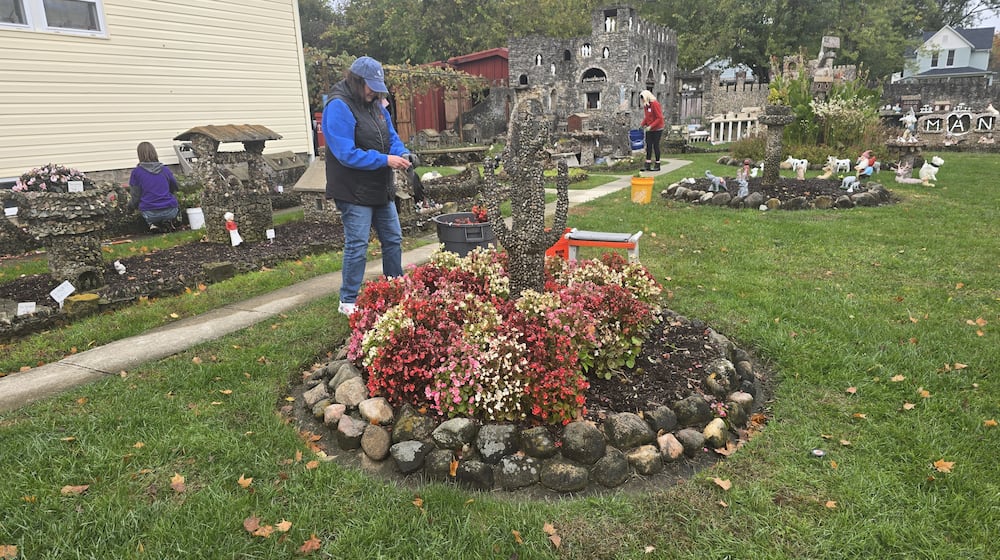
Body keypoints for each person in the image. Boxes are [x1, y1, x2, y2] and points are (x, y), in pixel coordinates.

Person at [322, 56, 414, 317]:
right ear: (356, 81)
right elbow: (345, 153)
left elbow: (391, 137)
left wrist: (403, 154)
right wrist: (385, 160)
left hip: (379, 187)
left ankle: (394, 286)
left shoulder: (376, 104)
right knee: (358, 245)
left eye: (377, 86)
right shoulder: (339, 106)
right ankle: (348, 300)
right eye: (370, 86)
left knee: (393, 238)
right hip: (352, 190)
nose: (374, 91)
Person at [128, 141, 180, 230]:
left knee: (144, 202)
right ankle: (168, 221)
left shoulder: (136, 173)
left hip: (149, 212)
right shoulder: (165, 170)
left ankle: (152, 224)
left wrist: (130, 207)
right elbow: (175, 187)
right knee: (172, 196)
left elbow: (135, 195)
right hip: (170, 209)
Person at [639, 90, 664, 171]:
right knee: (648, 146)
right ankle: (648, 164)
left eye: (643, 98)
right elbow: (647, 117)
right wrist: (642, 124)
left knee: (655, 145)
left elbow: (659, 118)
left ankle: (657, 164)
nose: (642, 100)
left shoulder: (655, 104)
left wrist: (651, 126)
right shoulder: (646, 105)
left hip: (657, 128)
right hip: (649, 128)